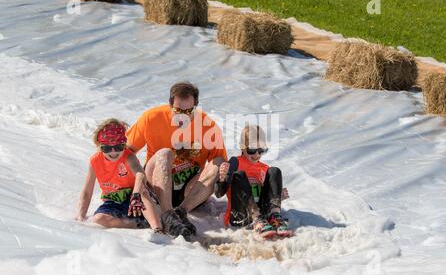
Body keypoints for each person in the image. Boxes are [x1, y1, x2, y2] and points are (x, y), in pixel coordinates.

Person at [126, 82, 227, 240]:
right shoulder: (151, 117)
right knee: (165, 153)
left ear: (196, 106)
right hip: (157, 183)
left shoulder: (209, 127)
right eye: (178, 110)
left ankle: (181, 211)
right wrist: (132, 182)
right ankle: (167, 215)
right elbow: (127, 151)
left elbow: (221, 166)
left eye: (189, 111)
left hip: (189, 192)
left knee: (219, 161)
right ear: (170, 104)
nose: (183, 116)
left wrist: (224, 173)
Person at [76, 118, 162, 232]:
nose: (113, 152)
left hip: (136, 197)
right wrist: (81, 215)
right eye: (106, 148)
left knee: (143, 193)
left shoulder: (128, 157)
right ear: (99, 146)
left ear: (124, 144)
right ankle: (137, 224)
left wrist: (135, 194)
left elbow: (140, 174)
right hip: (113, 201)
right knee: (98, 219)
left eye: (118, 147)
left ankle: (158, 228)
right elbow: (87, 192)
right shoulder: (95, 161)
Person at [214, 125, 292, 239]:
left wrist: (277, 197)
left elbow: (265, 193)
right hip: (241, 215)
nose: (256, 155)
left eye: (261, 150)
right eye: (251, 150)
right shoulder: (236, 161)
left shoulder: (264, 168)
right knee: (239, 175)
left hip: (263, 214)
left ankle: (275, 217)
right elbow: (219, 193)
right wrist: (222, 178)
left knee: (275, 171)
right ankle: (256, 219)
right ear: (242, 147)